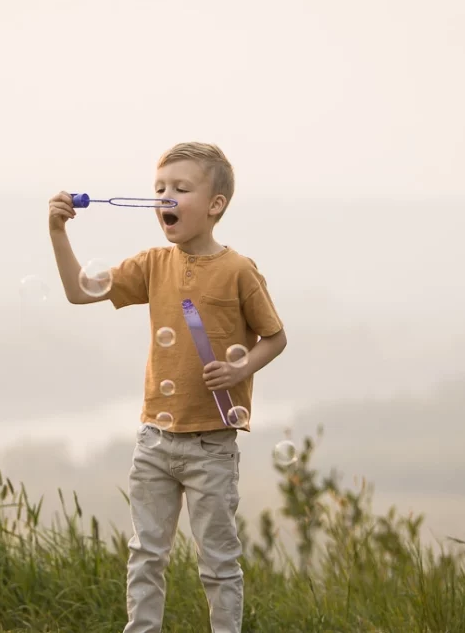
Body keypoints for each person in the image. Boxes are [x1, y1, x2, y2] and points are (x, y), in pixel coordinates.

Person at [47, 142, 287, 633]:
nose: (164, 197)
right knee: (145, 556)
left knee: (218, 562)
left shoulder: (239, 270)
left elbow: (275, 337)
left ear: (215, 205)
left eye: (180, 189)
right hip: (154, 438)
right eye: (158, 189)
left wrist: (241, 371)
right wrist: (57, 232)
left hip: (212, 442)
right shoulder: (152, 264)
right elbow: (78, 291)